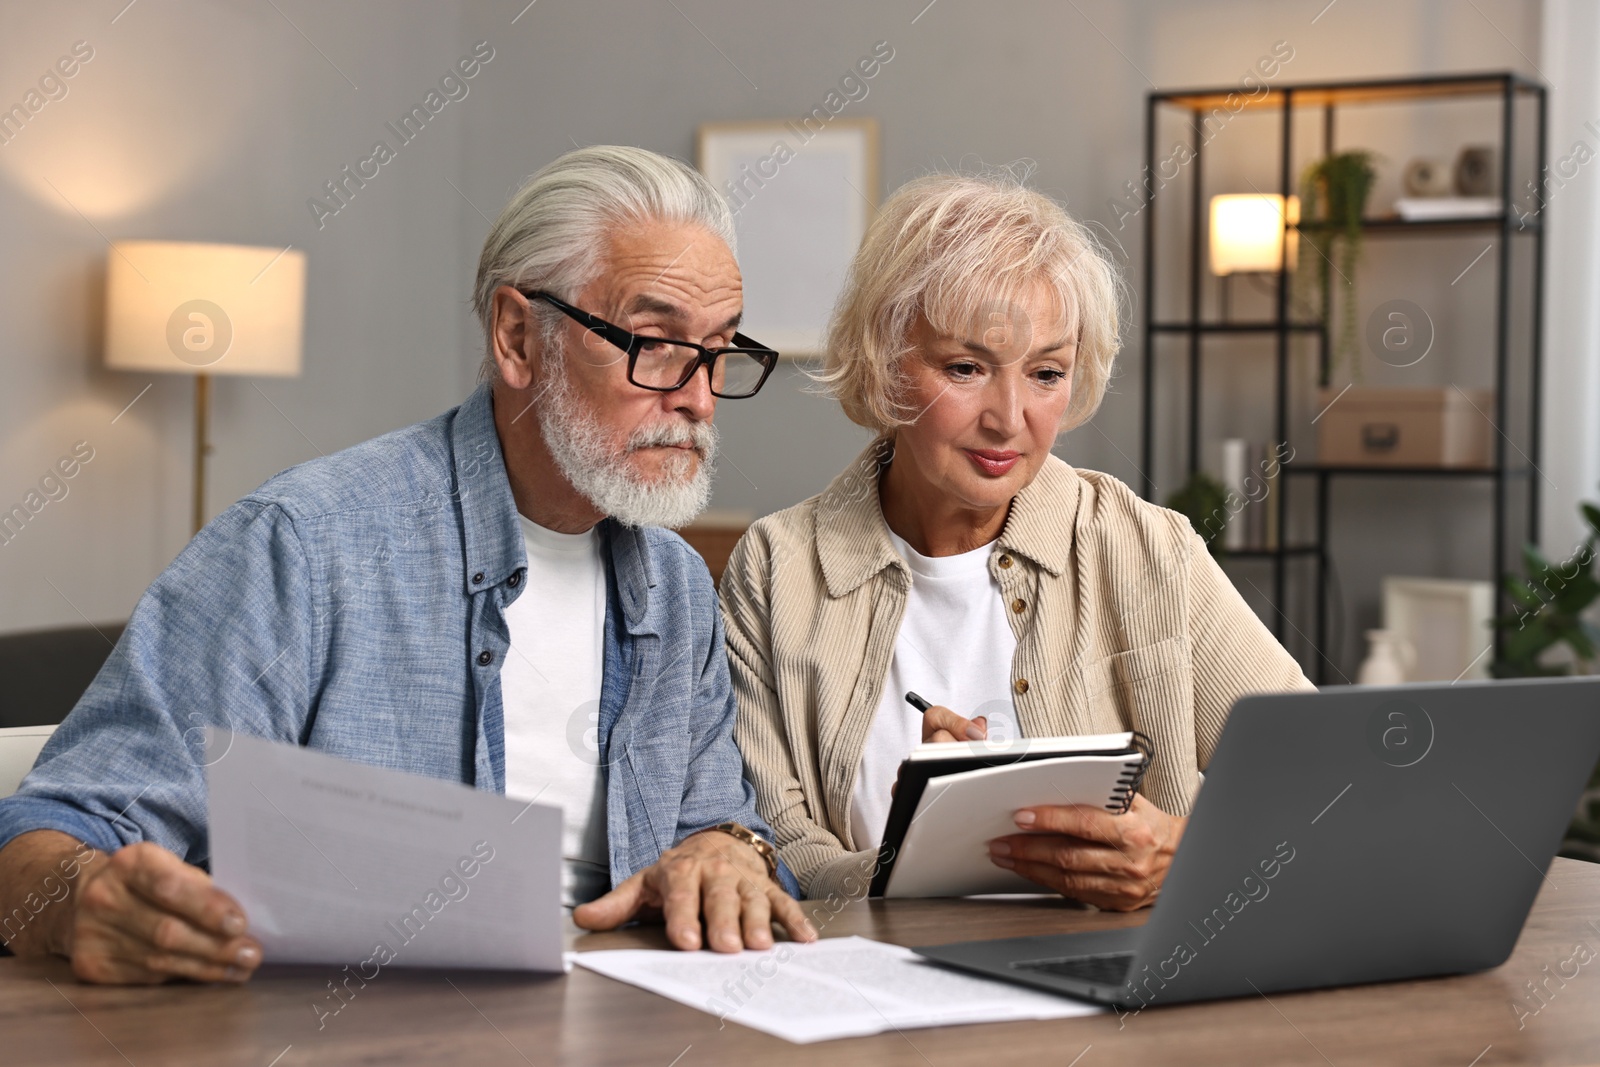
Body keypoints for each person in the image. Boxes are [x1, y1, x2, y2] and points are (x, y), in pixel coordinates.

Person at [0, 145, 815, 985]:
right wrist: (79, 894)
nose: (699, 397)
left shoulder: (677, 587)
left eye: (718, 351)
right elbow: (50, 830)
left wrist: (729, 852)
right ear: (517, 337)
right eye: (655, 343)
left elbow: (725, 826)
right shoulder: (304, 546)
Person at [720, 172, 1313, 910]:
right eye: (966, 368)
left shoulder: (1148, 547)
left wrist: (1186, 853)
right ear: (885, 361)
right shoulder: (777, 568)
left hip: (1113, 992)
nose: (1010, 418)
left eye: (1046, 373)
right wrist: (923, 849)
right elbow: (770, 843)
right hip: (871, 995)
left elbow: (1321, 778)